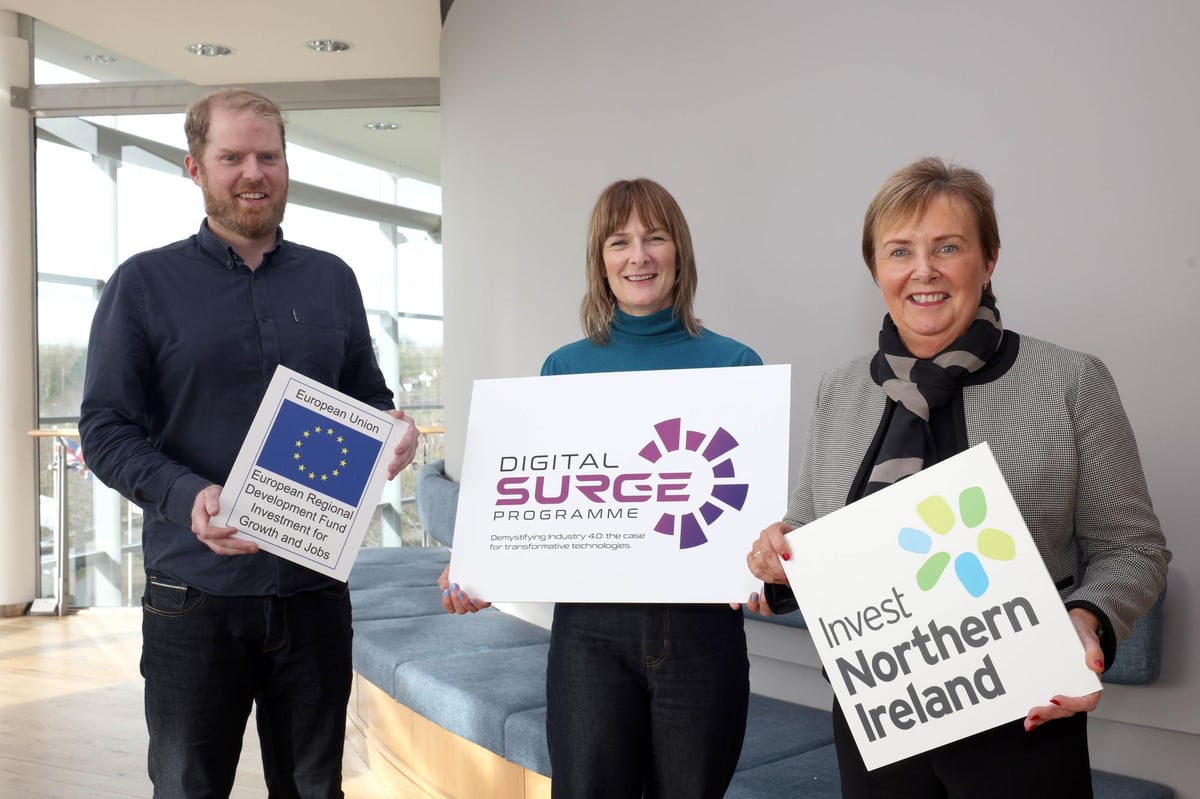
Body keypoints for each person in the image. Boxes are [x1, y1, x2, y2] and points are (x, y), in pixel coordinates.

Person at [745, 157, 1171, 798]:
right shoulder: (840, 390)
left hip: (1025, 718)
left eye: (949, 247)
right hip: (878, 717)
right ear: (876, 269)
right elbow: (809, 533)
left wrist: (1088, 617)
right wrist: (779, 559)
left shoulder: (1068, 382)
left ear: (989, 258)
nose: (924, 270)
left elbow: (1134, 550)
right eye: (900, 251)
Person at [78, 88, 419, 799]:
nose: (253, 173)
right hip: (193, 597)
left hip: (315, 589)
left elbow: (367, 397)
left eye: (268, 155)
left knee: (315, 789)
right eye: (231, 156)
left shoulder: (333, 280)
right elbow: (105, 429)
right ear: (194, 168)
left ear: (288, 164)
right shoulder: (142, 284)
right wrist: (190, 494)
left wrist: (394, 425)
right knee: (188, 788)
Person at [439, 178, 762, 798]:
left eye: (655, 238)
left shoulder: (735, 366)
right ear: (601, 261)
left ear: (679, 254)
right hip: (590, 633)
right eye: (620, 241)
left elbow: (746, 515)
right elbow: (542, 493)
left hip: (702, 636)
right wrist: (479, 566)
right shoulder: (564, 369)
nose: (638, 256)